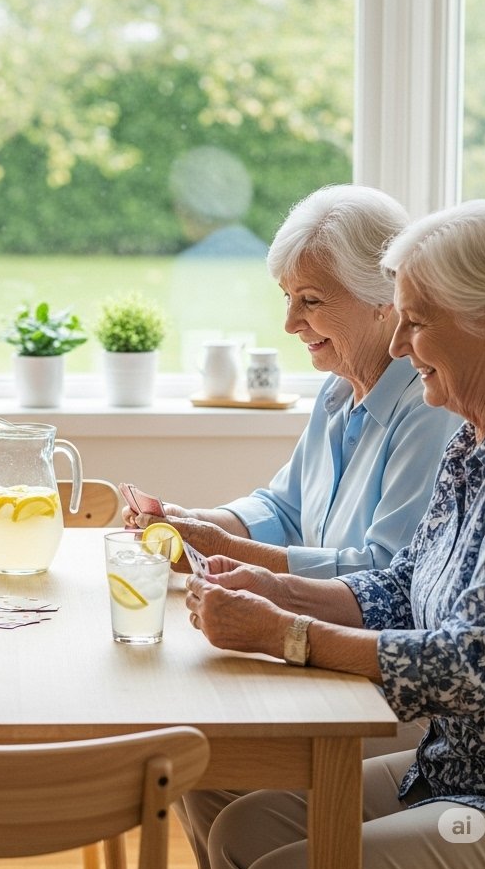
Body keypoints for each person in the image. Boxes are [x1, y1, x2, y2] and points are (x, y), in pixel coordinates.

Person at [184, 199, 485, 869]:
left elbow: (471, 668)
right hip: (453, 765)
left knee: (278, 866)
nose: (398, 345)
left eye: (416, 322)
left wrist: (286, 633)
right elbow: (401, 582)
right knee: (242, 829)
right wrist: (274, 589)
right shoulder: (473, 444)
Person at [126, 184, 461, 577]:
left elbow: (385, 573)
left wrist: (224, 549)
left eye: (311, 300)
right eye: (287, 296)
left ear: (383, 299)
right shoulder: (338, 390)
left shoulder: (429, 409)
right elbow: (284, 511)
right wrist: (192, 522)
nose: (290, 323)